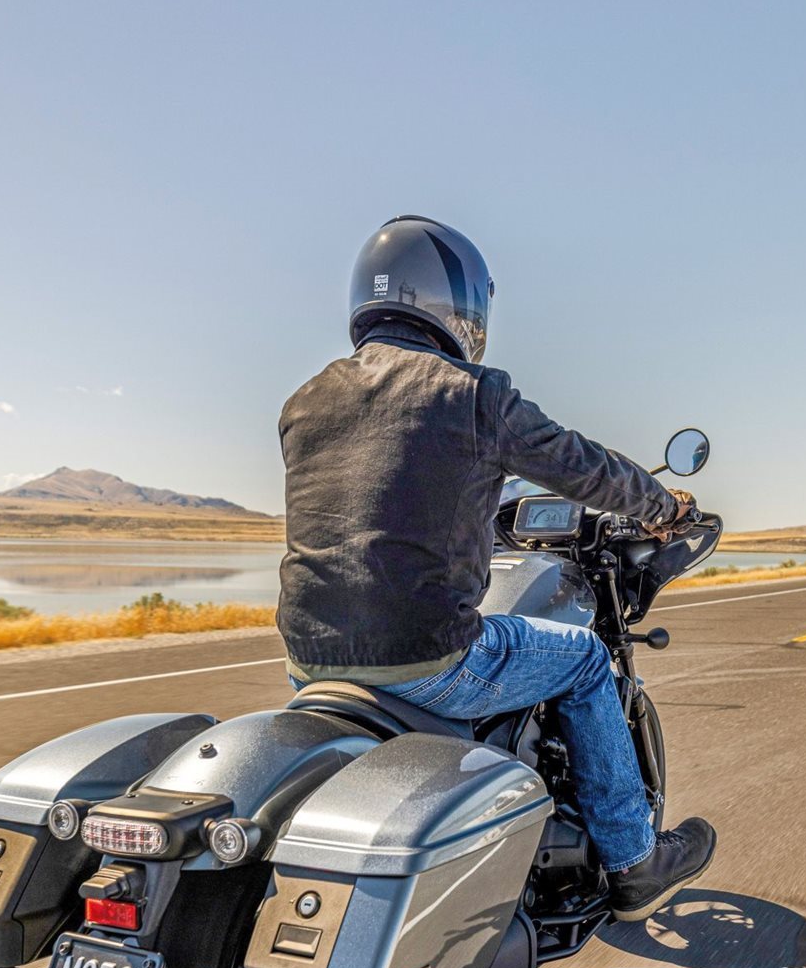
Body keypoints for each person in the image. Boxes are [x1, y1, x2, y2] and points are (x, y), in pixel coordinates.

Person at [277, 215, 717, 921]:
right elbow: (583, 467)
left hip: (309, 663)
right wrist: (663, 506)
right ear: (455, 303)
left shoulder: (305, 402)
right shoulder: (472, 393)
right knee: (583, 660)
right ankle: (634, 861)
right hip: (427, 657)